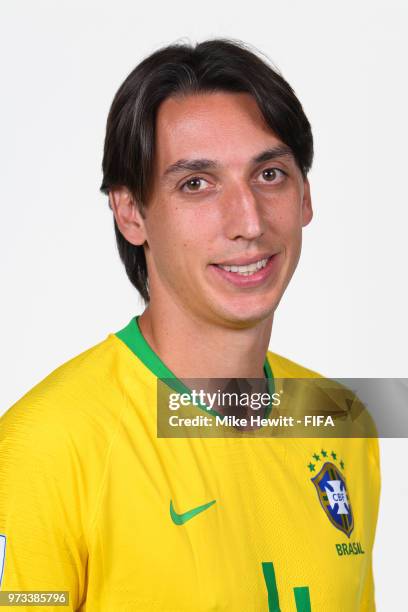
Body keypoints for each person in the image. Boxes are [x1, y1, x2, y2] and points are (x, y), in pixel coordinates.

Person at [0, 39, 380, 611]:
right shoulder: (47, 446)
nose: (248, 221)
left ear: (305, 195)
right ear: (131, 213)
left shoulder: (341, 422)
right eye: (196, 184)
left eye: (270, 174)